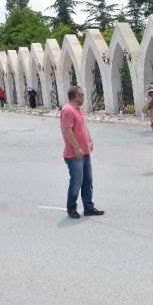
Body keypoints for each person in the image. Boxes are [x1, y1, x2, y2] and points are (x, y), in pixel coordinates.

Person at [60, 86, 105, 219]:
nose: (84, 97)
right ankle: (71, 208)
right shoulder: (67, 110)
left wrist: (90, 140)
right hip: (74, 155)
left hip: (84, 153)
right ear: (76, 96)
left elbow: (83, 127)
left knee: (87, 181)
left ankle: (88, 207)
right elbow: (67, 131)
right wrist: (77, 148)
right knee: (76, 182)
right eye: (82, 95)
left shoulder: (79, 110)